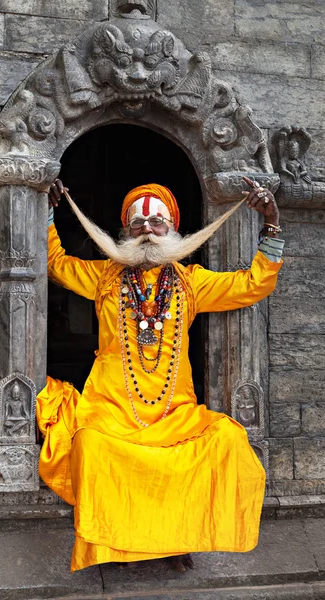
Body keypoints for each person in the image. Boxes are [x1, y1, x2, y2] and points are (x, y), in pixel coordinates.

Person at [36, 180, 284, 573]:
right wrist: (48, 213)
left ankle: (178, 538)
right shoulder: (105, 276)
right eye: (138, 224)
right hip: (112, 410)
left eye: (157, 222)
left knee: (227, 439)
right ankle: (116, 543)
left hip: (174, 415)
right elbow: (55, 264)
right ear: (125, 232)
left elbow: (253, 284)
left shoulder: (192, 282)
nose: (148, 230)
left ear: (173, 229)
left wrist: (271, 221)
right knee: (92, 447)